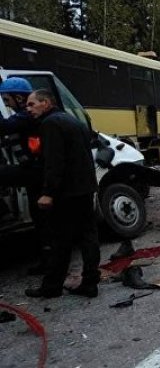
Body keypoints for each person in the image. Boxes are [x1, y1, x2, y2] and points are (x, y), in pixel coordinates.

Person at [24, 89, 100, 298]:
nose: (28, 109)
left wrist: (48, 192)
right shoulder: (73, 121)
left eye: (32, 104)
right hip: (85, 188)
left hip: (66, 193)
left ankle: (51, 287)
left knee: (60, 241)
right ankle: (90, 283)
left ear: (46, 103)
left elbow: (54, 162)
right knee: (88, 237)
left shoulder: (50, 124)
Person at [0, 78, 49, 274]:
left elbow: (3, 127)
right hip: (33, 173)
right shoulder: (23, 116)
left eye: (7, 100)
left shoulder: (24, 116)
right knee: (39, 218)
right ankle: (47, 261)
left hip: (36, 173)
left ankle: (50, 262)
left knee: (43, 220)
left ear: (18, 97)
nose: (6, 104)